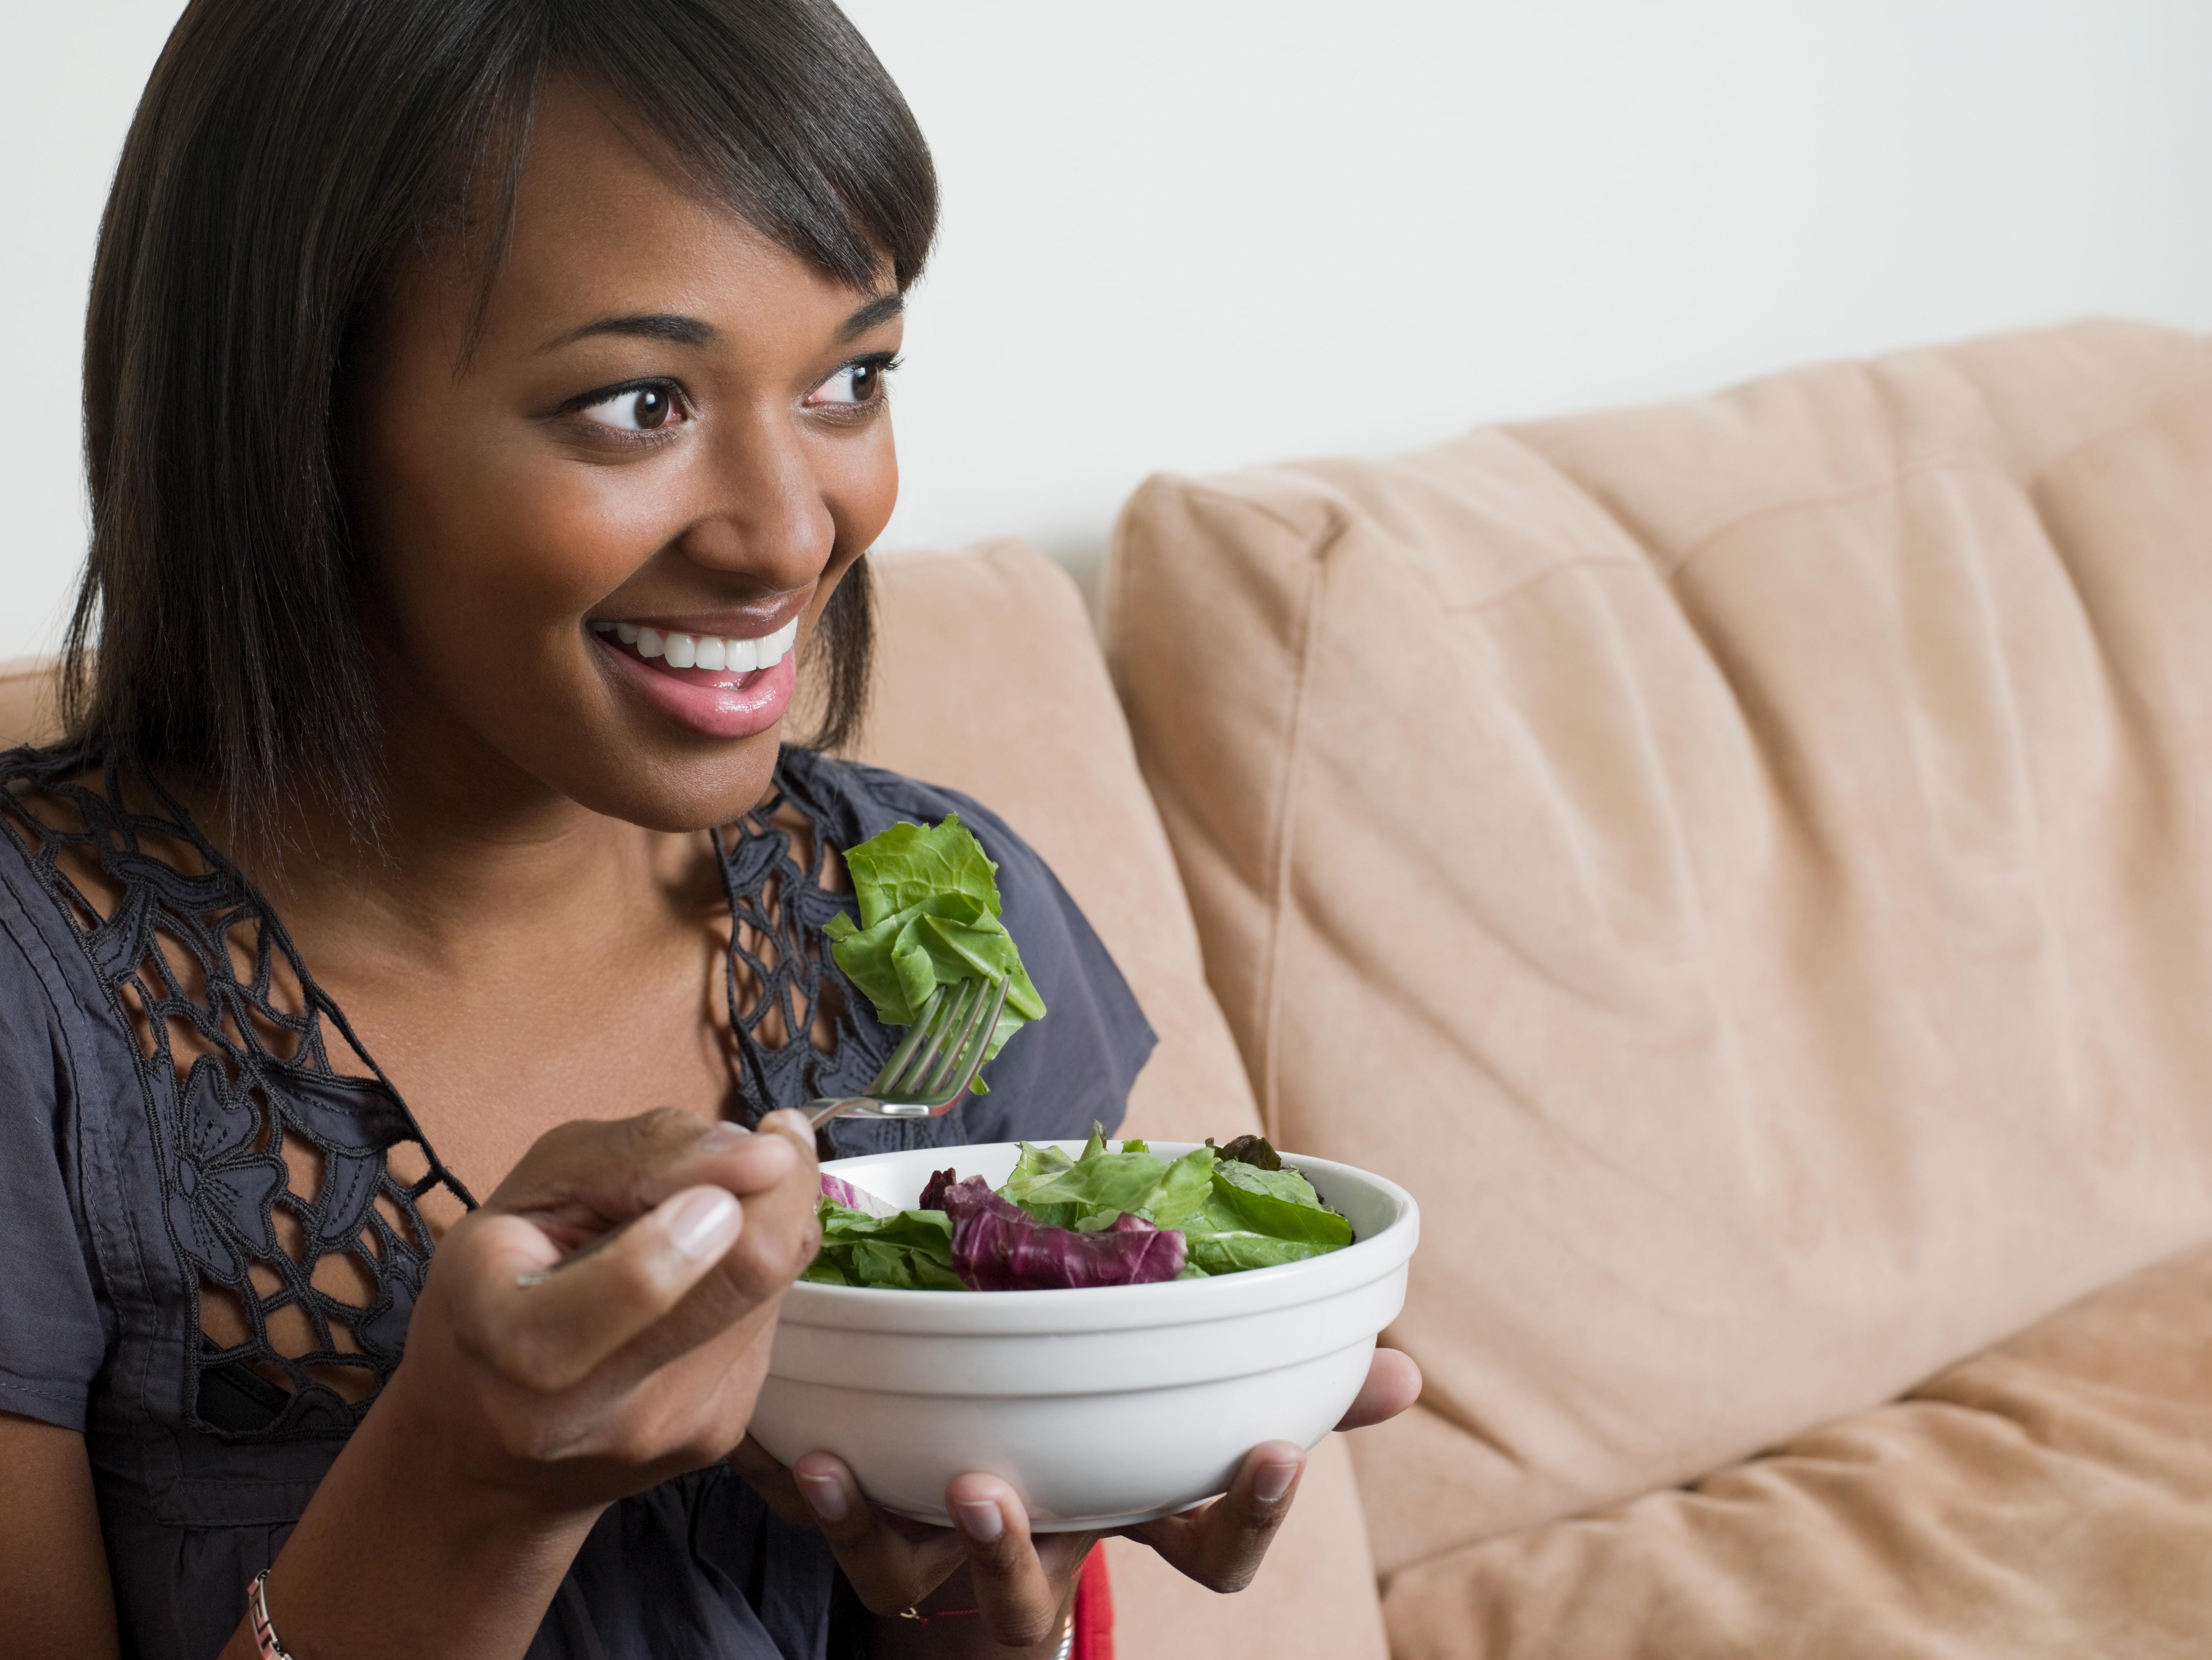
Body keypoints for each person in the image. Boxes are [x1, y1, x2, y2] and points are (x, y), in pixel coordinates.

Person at [0, 1, 1422, 1656]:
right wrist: (464, 1484)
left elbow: (983, 1609)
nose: (792, 532)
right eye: (636, 405)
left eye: (849, 377)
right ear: (292, 419)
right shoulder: (45, 1011)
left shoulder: (941, 940)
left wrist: (993, 1607)